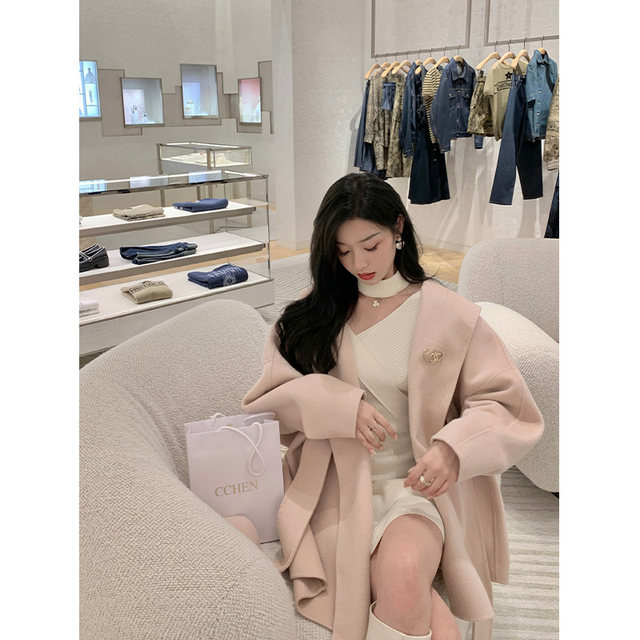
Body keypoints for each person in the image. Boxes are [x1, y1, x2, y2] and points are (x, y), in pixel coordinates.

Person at [242, 172, 544, 640]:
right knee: (419, 606)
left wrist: (453, 449)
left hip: (415, 487)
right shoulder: (310, 315)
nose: (358, 263)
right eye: (343, 251)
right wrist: (338, 405)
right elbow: (267, 403)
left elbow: (507, 404)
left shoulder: (448, 314)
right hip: (334, 488)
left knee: (402, 576)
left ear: (398, 227)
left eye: (371, 245)